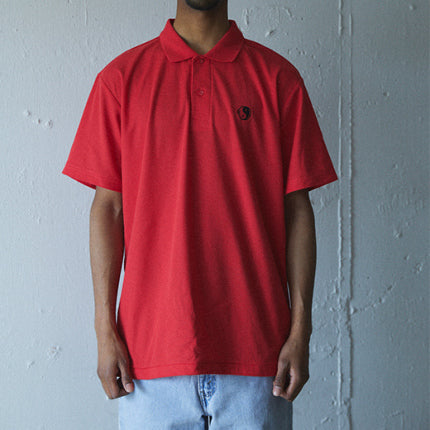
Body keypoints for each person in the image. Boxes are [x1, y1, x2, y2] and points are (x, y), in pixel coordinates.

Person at [61, 0, 338, 428]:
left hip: (258, 354)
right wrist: (104, 331)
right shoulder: (120, 80)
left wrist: (301, 331)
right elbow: (108, 209)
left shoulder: (278, 79)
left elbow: (298, 213)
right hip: (149, 357)